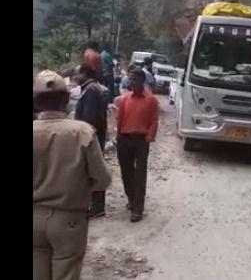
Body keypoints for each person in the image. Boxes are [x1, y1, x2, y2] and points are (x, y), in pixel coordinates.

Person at [33, 70, 111, 280]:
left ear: (36, 102)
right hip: (70, 221)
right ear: (67, 99)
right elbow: (103, 180)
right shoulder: (82, 132)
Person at [116, 68, 159, 222]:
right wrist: (118, 137)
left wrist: (149, 138)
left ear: (142, 80)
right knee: (126, 173)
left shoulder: (151, 100)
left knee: (140, 175)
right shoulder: (125, 99)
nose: (131, 82)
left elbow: (154, 120)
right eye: (130, 79)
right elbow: (119, 119)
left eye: (134, 79)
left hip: (141, 141)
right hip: (125, 139)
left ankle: (137, 209)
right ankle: (132, 199)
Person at [74, 64, 109, 218]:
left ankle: (97, 206)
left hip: (90, 138)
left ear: (85, 74)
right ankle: (94, 204)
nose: (75, 77)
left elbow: (89, 119)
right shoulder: (92, 89)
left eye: (77, 73)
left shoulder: (91, 91)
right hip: (93, 137)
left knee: (93, 169)